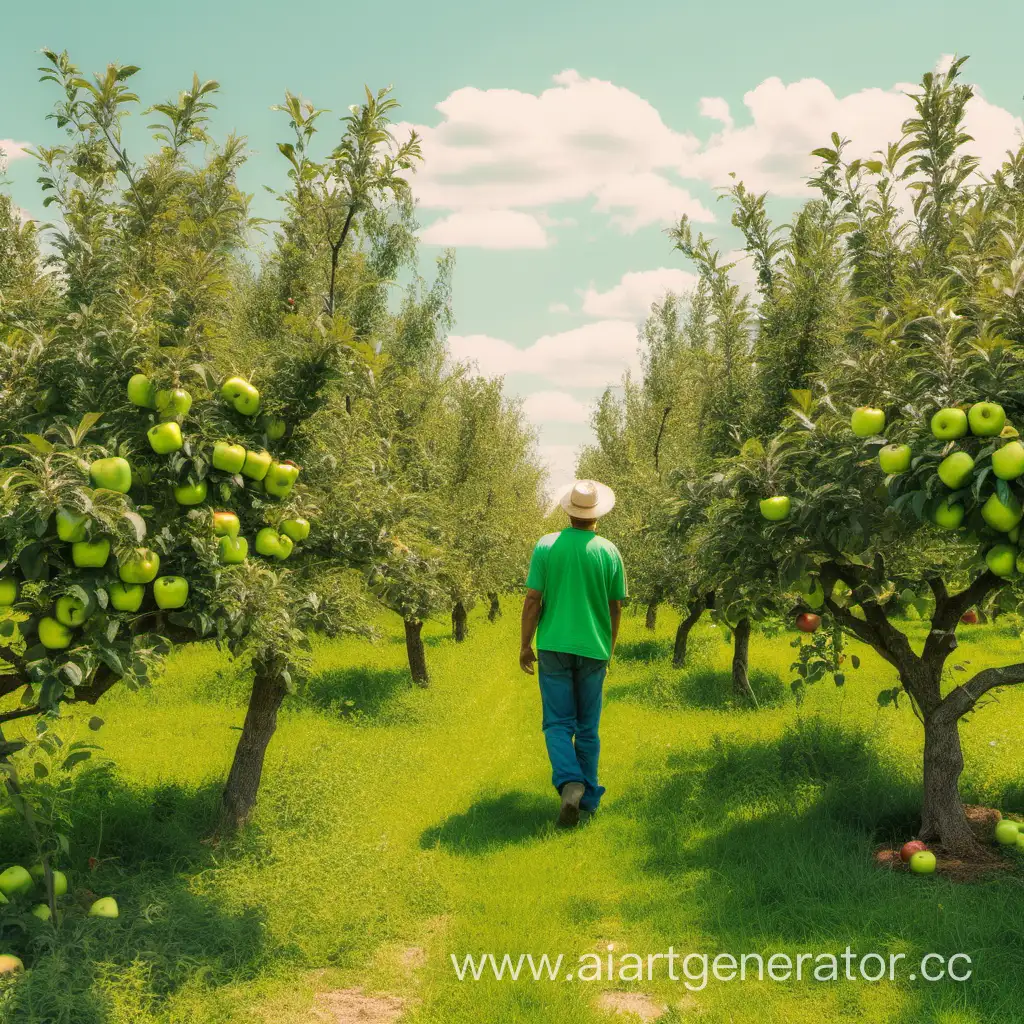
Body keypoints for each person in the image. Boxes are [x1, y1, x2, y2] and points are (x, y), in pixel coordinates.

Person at [520, 479, 627, 827]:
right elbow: (615, 608)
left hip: (553, 644)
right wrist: (608, 651)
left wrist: (525, 644)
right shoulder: (609, 551)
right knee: (588, 727)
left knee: (557, 723)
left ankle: (570, 782)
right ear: (598, 515)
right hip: (594, 647)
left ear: (569, 511)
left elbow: (533, 599)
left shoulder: (546, 546)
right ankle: (589, 800)